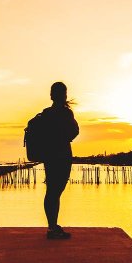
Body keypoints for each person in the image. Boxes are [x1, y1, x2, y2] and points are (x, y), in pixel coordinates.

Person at [41, 81, 78, 239]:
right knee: (55, 192)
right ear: (64, 95)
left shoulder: (46, 113)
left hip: (49, 156)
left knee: (52, 191)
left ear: (51, 95)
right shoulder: (65, 113)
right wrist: (63, 138)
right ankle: (53, 228)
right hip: (62, 155)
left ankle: (52, 226)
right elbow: (74, 132)